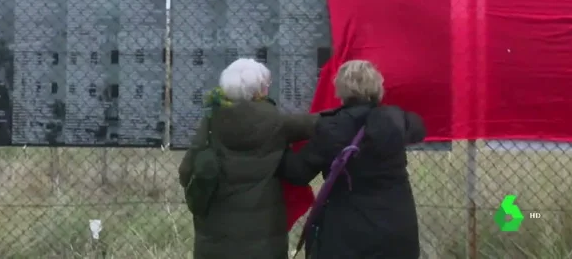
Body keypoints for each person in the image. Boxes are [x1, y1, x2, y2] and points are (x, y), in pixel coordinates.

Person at [278, 60, 426, 259]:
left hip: (348, 231)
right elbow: (419, 128)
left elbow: (297, 173)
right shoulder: (397, 119)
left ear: (340, 89)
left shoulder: (332, 128)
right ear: (377, 86)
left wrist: (279, 147)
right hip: (397, 226)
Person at [178, 58, 317, 259]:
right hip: (264, 244)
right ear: (259, 91)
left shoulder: (209, 123)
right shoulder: (276, 123)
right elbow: (316, 124)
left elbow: (185, 173)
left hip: (215, 240)